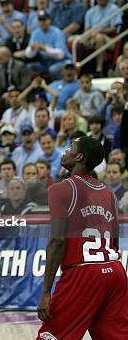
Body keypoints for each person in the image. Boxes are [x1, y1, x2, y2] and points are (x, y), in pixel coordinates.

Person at [37, 136, 128, 339]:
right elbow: (114, 242)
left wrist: (45, 292)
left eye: (71, 147)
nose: (65, 150)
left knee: (52, 335)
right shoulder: (109, 194)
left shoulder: (61, 189)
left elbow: (57, 241)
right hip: (115, 271)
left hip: (83, 273)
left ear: (79, 156)